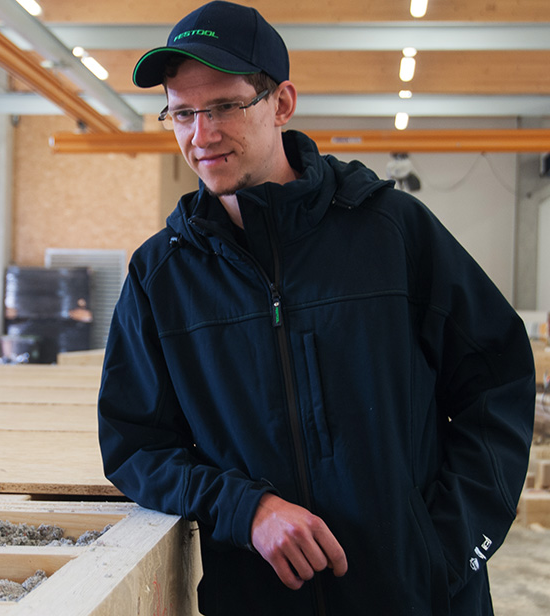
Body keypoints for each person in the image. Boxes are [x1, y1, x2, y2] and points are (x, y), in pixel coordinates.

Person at [96, 2, 536, 614]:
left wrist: (446, 550)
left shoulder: (392, 232)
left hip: (419, 597)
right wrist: (245, 509)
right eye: (182, 112)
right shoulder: (160, 275)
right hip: (261, 597)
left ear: (280, 103)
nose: (201, 134)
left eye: (224, 106)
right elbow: (135, 445)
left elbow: (497, 384)